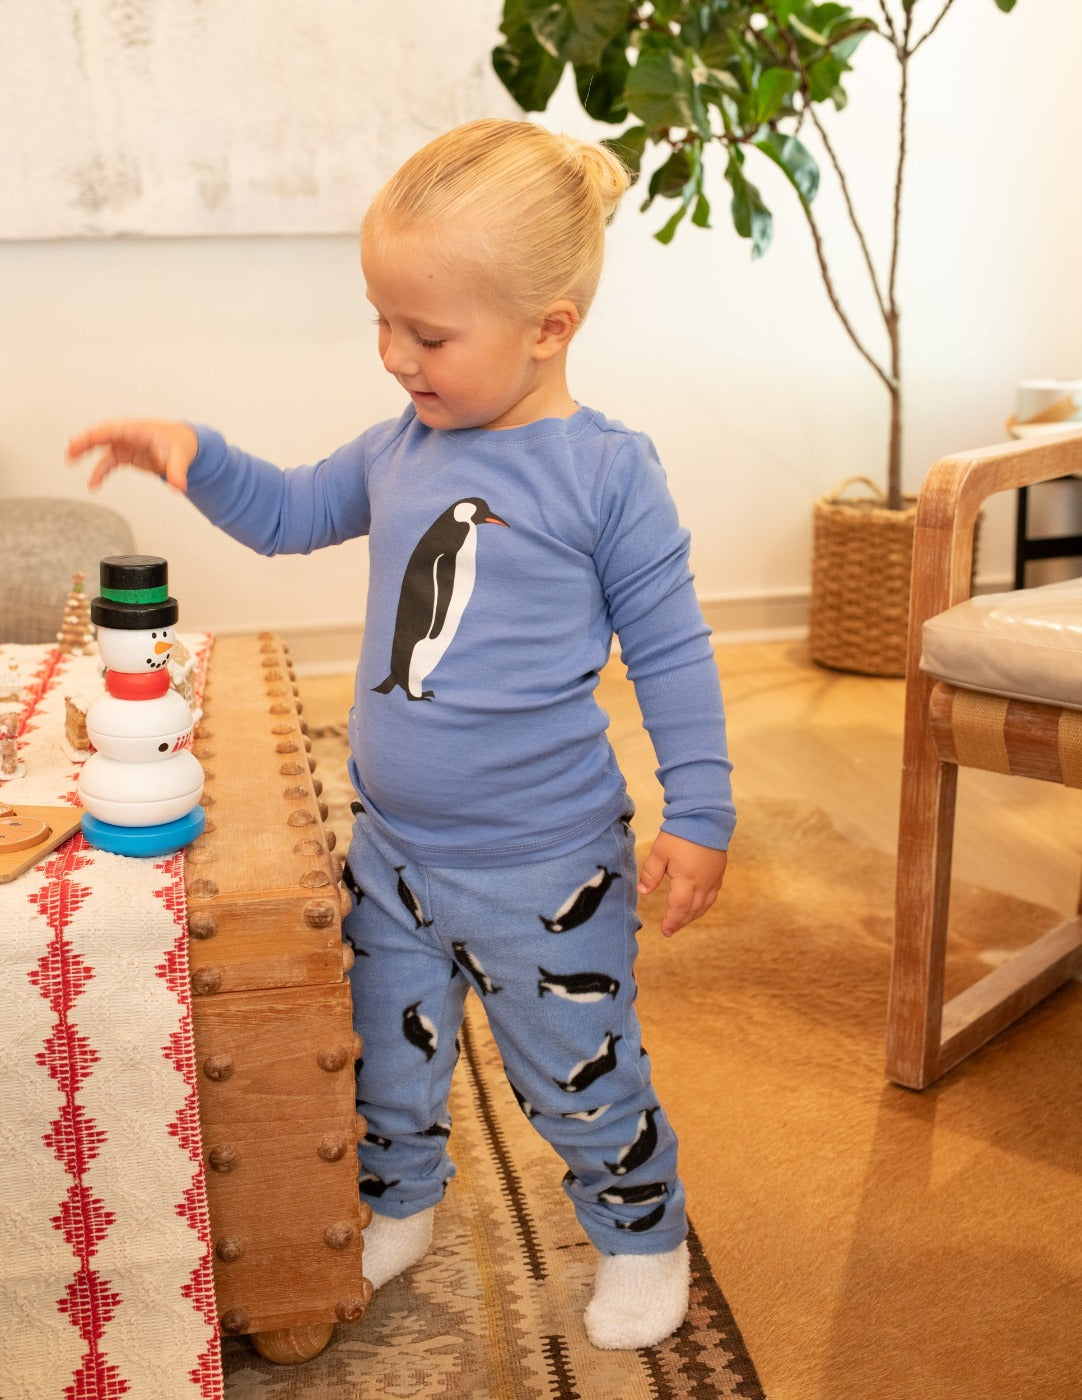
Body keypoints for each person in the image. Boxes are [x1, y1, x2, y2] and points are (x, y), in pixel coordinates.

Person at [67, 118, 735, 1351]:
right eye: (380, 321)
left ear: (549, 326)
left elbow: (672, 649)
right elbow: (284, 513)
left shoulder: (604, 473)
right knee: (380, 1061)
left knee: (576, 1074)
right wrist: (196, 457)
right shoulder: (396, 451)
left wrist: (699, 810)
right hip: (391, 850)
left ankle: (641, 1233)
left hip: (543, 866)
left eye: (427, 334)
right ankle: (400, 1201)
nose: (393, 356)